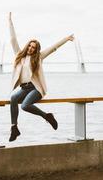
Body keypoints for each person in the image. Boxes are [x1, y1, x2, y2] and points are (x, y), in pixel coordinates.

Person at [8, 12, 74, 142]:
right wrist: (10, 21)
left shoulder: (38, 57)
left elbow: (53, 48)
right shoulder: (19, 55)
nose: (31, 49)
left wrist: (66, 39)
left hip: (35, 89)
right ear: (27, 46)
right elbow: (13, 40)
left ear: (36, 49)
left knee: (25, 106)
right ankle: (14, 128)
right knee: (13, 98)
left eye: (34, 48)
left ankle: (47, 116)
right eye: (30, 46)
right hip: (24, 88)